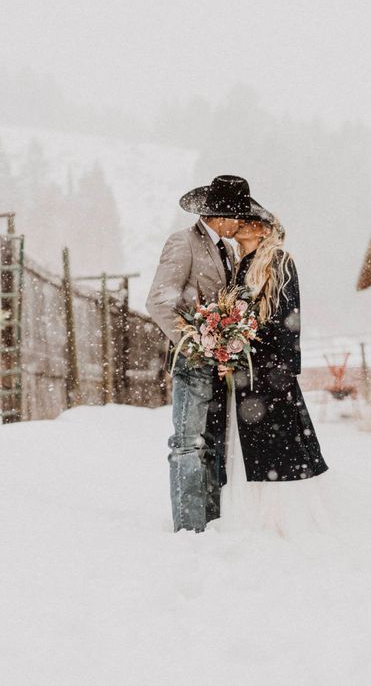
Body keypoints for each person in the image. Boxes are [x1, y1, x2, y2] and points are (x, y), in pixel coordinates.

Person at [145, 174, 271, 533]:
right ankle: (188, 527)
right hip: (191, 363)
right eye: (239, 216)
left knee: (214, 444)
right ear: (222, 215)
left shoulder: (228, 250)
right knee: (187, 443)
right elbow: (159, 301)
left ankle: (211, 522)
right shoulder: (182, 242)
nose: (242, 223)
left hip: (220, 367)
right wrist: (195, 344)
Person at [218, 212, 329, 537]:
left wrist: (279, 364)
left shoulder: (279, 261)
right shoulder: (242, 265)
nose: (238, 225)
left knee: (276, 445)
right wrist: (229, 348)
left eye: (247, 222)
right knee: (252, 443)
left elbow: (286, 314)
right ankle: (255, 515)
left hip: (270, 369)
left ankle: (281, 520)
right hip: (246, 370)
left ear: (264, 230)